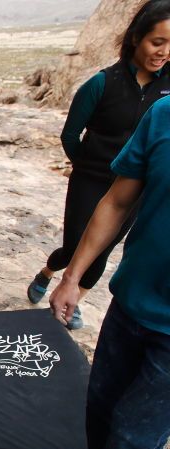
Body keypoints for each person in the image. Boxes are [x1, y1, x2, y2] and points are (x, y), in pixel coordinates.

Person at [47, 74, 170, 449]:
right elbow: (117, 202)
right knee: (103, 395)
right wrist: (72, 277)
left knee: (146, 415)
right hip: (135, 294)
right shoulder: (163, 114)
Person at [27, 0, 170, 330]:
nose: (163, 52)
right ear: (136, 38)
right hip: (89, 180)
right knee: (75, 244)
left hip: (133, 187)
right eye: (157, 42)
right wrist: (85, 165)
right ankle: (49, 272)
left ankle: (75, 298)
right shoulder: (102, 84)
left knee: (104, 249)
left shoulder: (166, 90)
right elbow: (70, 134)